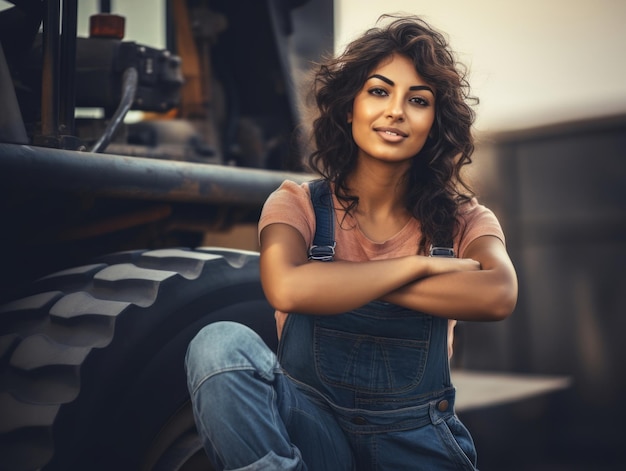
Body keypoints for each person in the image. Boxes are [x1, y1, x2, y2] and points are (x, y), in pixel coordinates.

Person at [185, 14, 518, 471]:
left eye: (417, 100)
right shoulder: (296, 204)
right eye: (379, 91)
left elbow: (498, 294)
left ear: (434, 121)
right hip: (312, 431)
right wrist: (418, 267)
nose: (396, 111)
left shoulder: (463, 220)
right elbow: (286, 287)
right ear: (349, 107)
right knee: (218, 345)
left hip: (415, 445)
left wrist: (328, 280)